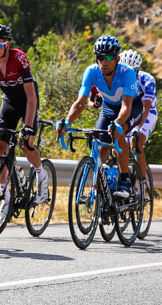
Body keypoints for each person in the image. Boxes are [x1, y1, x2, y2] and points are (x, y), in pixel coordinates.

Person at [0, 23, 49, 224]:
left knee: (26, 144)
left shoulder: (19, 58)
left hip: (27, 101)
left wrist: (28, 126)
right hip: (8, 102)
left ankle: (42, 176)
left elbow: (32, 97)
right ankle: (5, 199)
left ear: (7, 44)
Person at [58, 35, 140, 199]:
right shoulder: (91, 71)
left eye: (109, 57)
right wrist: (67, 121)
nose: (104, 62)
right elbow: (80, 103)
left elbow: (126, 106)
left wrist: (117, 124)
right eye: (100, 57)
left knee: (118, 132)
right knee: (101, 148)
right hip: (108, 108)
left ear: (117, 58)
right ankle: (100, 190)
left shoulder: (127, 72)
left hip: (131, 107)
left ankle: (125, 181)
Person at [120, 49, 158, 188]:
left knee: (136, 143)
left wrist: (137, 128)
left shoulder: (147, 80)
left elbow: (145, 108)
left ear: (138, 69)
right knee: (116, 146)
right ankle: (122, 180)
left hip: (148, 112)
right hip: (128, 111)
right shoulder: (118, 78)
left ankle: (141, 183)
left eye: (133, 71)